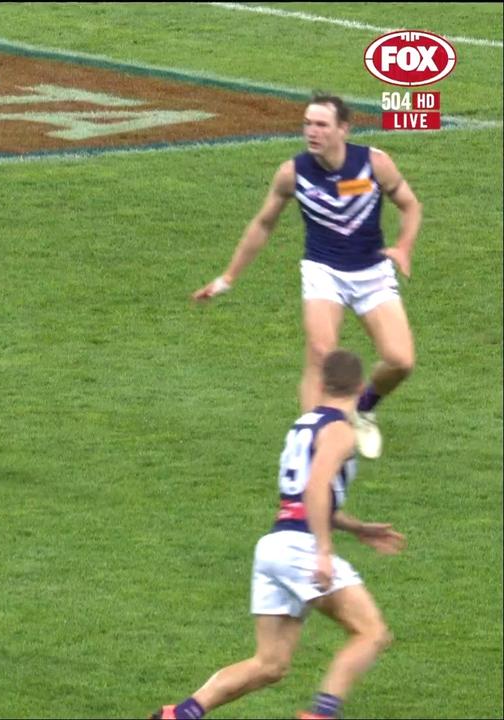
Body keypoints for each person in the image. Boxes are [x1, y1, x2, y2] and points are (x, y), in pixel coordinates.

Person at [150, 350, 406, 720]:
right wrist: (324, 550)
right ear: (360, 386)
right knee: (372, 633)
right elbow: (316, 488)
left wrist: (356, 527)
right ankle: (321, 715)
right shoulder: (340, 432)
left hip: (274, 547)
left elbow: (304, 497)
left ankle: (181, 713)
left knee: (270, 664)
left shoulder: (304, 424)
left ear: (322, 385)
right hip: (302, 548)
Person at [192, 93, 422, 459]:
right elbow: (263, 224)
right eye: (307, 124)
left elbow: (409, 205)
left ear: (343, 129)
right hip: (323, 270)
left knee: (401, 361)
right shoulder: (292, 173)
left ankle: (362, 408)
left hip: (372, 271)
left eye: (321, 125)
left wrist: (404, 246)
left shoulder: (374, 164)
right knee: (319, 352)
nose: (311, 132)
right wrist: (228, 278)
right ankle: (310, 438)